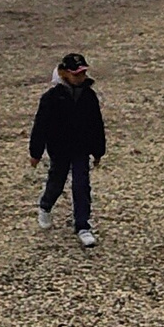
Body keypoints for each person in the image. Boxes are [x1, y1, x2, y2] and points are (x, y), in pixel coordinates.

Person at [30, 51, 107, 248]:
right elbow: (40, 125)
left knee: (81, 185)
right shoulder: (51, 97)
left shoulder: (89, 96)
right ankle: (46, 205)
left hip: (81, 148)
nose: (80, 77)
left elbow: (96, 124)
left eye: (82, 73)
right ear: (64, 73)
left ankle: (83, 225)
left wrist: (98, 150)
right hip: (59, 149)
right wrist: (35, 152)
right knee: (57, 181)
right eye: (75, 73)